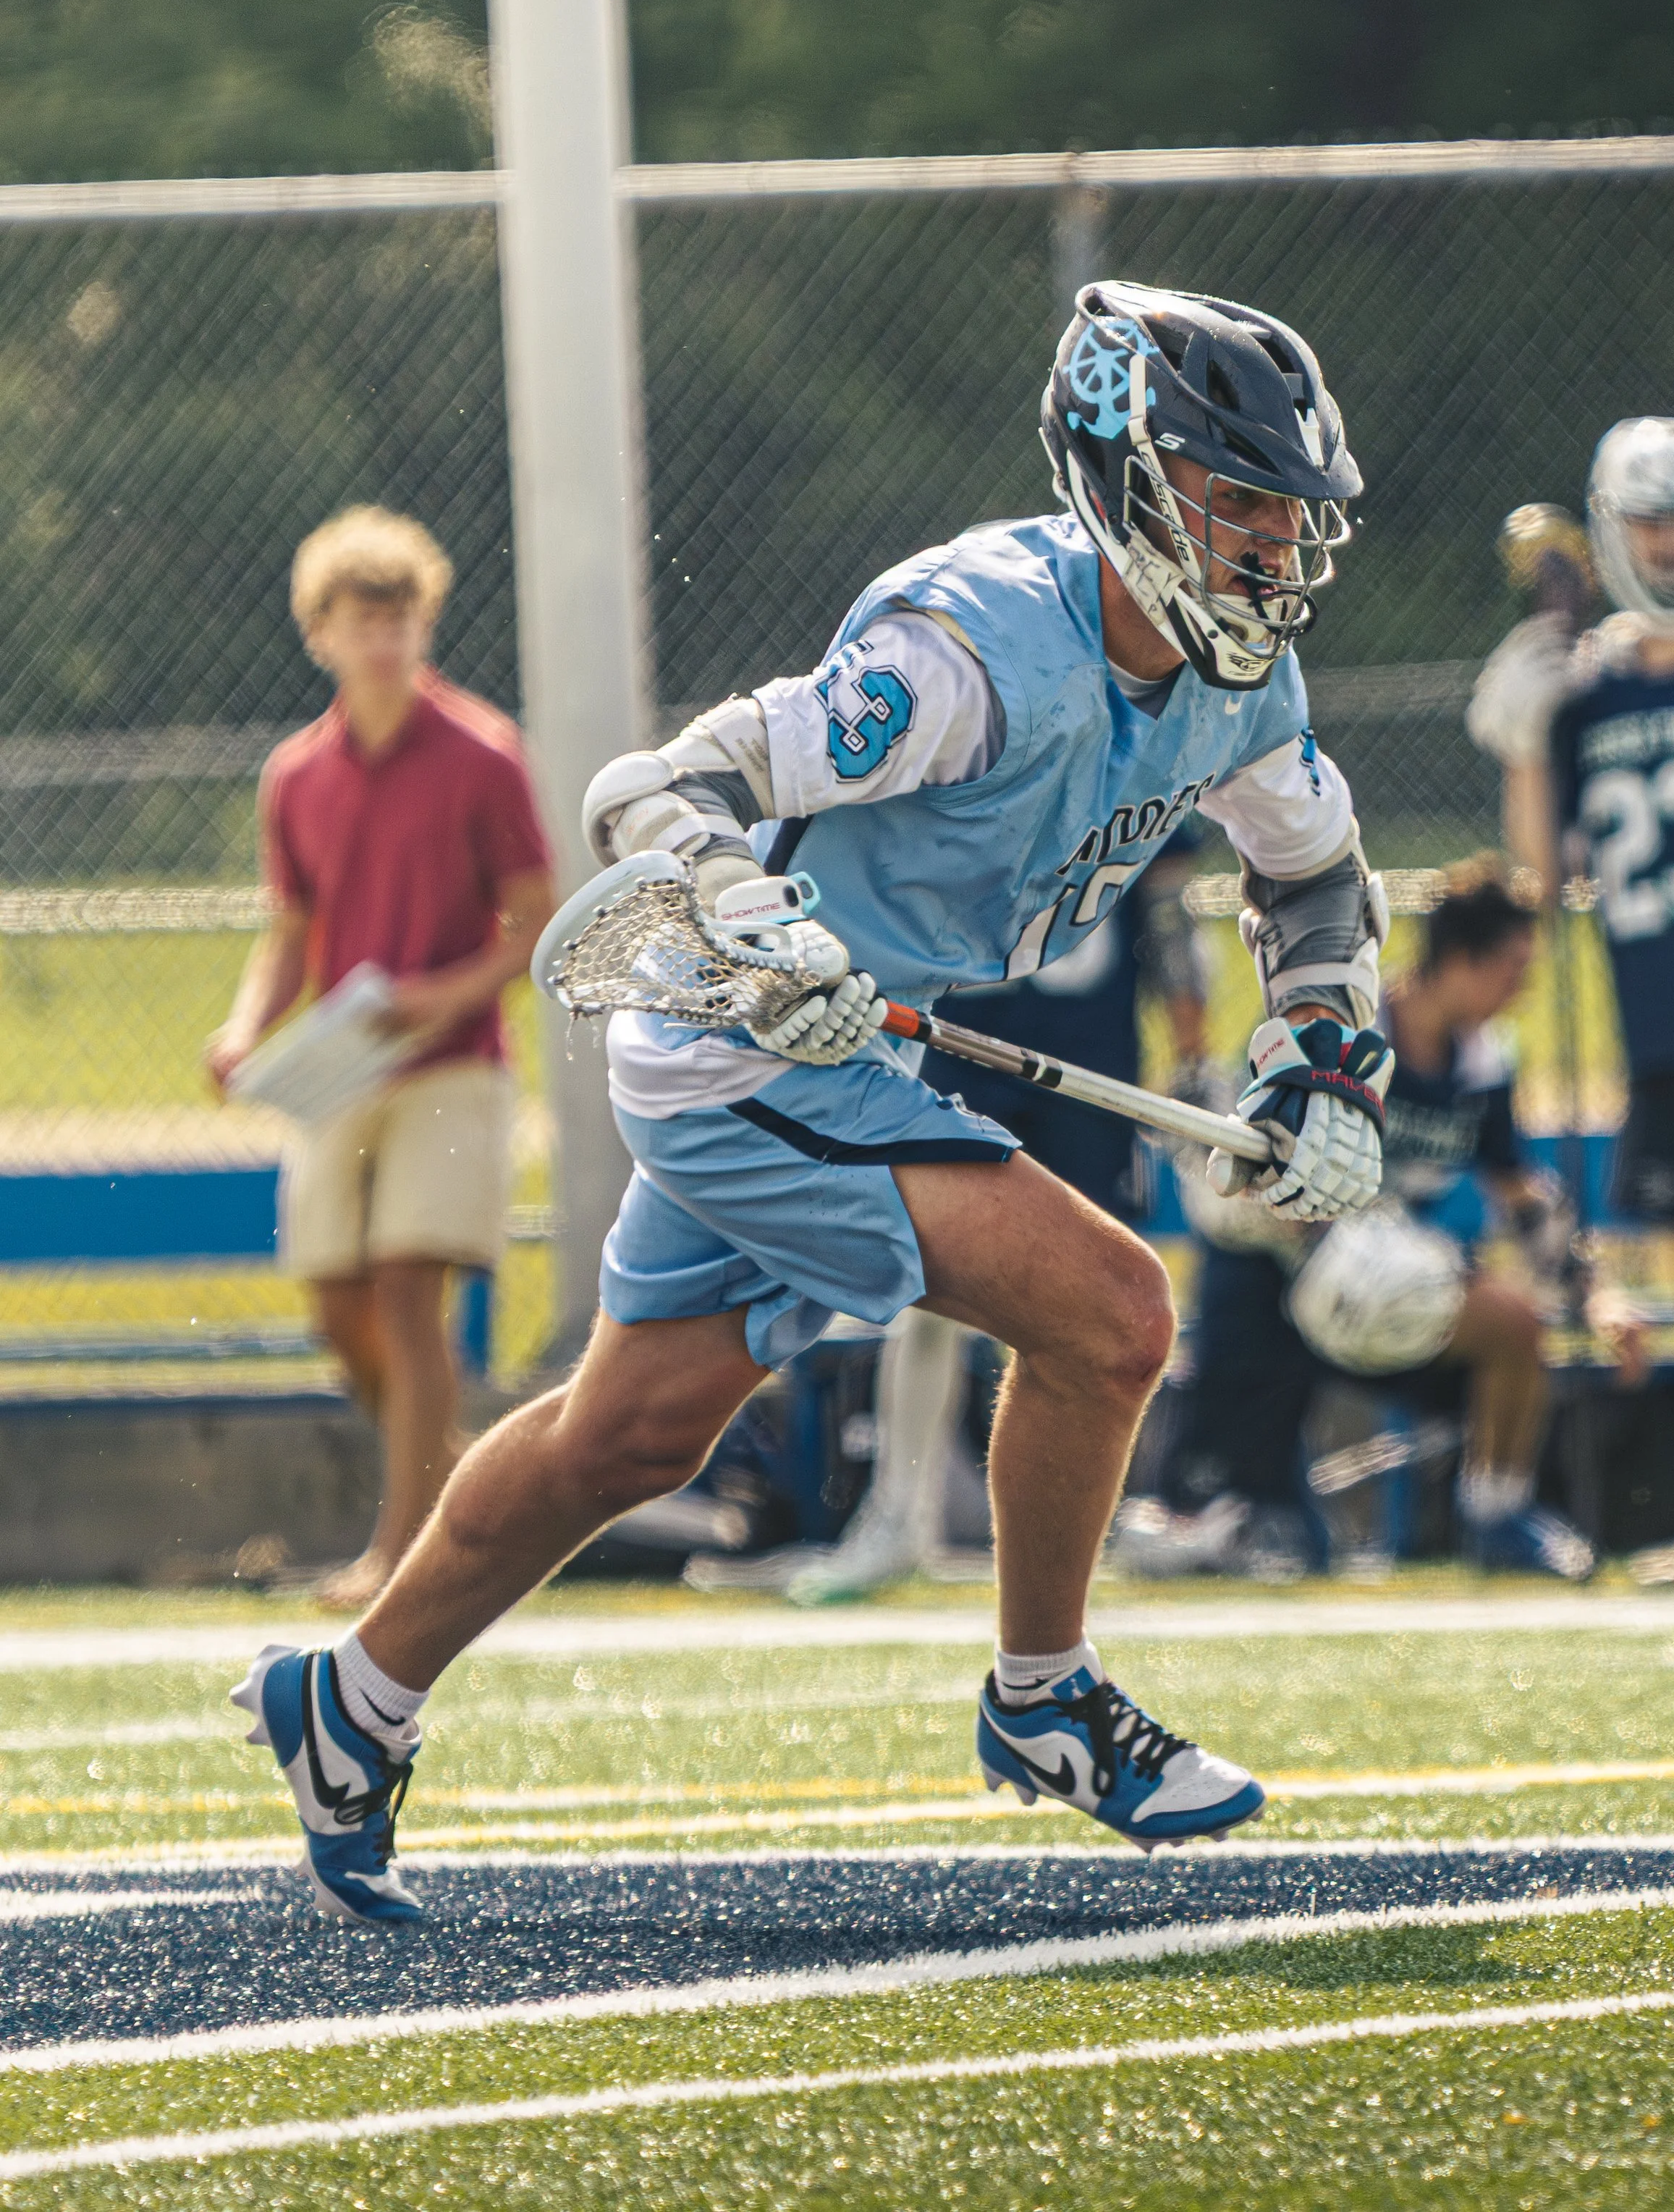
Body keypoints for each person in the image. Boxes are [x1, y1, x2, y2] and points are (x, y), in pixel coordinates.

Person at [232, 281, 1396, 1921]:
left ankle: (346, 1698)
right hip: (752, 1036)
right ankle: (1044, 1694)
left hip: (874, 1047)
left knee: (628, 1430)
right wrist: (763, 927)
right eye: (1239, 497)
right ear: (1123, 470)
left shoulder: (1237, 681)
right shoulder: (975, 647)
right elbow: (663, 788)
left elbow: (1313, 869)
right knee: (1115, 1313)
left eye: (1288, 508)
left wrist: (1326, 1045)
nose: (1273, 541)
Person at [1470, 418, 1674, 1584]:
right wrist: (1523, 740)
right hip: (1662, 1013)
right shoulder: (1592, 682)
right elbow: (1538, 874)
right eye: (1654, 524)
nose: (1673, 548)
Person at [719, 824, 1215, 1608]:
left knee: (1095, 1305)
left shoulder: (1135, 741)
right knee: (932, 1290)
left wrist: (1194, 1053)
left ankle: (1097, 1514)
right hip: (964, 1042)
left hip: (1089, 1061)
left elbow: (1165, 905)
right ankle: (896, 1515)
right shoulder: (975, 730)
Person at [208, 507, 555, 1612]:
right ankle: (446, 1475)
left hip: (456, 1062)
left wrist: (435, 998)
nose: (386, 639)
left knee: (410, 1295)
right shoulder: (294, 775)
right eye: (363, 620)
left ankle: (400, 1552)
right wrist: (242, 1026)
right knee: (336, 1304)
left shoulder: (485, 754)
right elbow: (291, 932)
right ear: (320, 631)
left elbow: (537, 921)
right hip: (340, 1072)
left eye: (401, 616)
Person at [1124, 863, 1594, 1580]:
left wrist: (1591, 1295)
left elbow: (1518, 1191)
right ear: (1462, 958)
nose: (1521, 990)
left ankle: (1498, 1512)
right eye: (1512, 968)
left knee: (1516, 1325)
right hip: (1277, 1277)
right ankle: (1213, 1504)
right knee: (1262, 1537)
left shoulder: (1483, 1060)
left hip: (1396, 1277)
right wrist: (1308, 1228)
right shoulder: (1342, 1031)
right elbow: (1249, 1162)